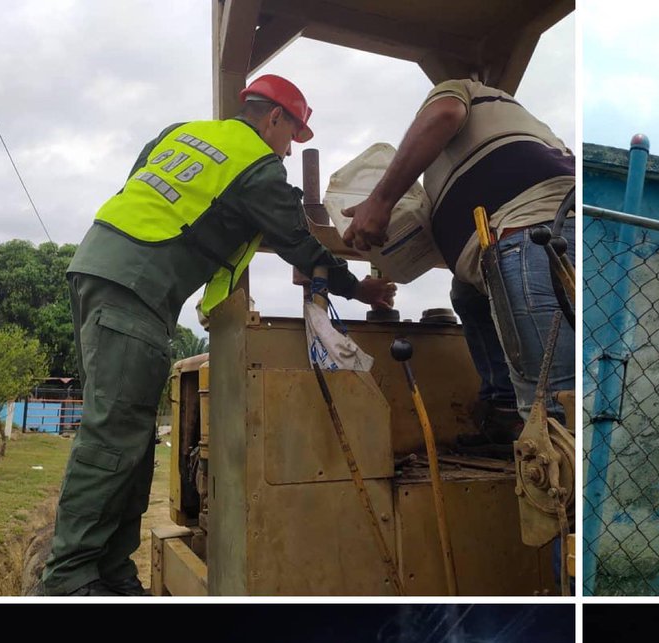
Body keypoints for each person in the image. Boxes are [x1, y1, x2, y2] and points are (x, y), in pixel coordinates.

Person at [41, 74, 396, 596]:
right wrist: (361, 291)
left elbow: (143, 186)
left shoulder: (179, 133)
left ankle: (113, 571)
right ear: (274, 118)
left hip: (104, 270)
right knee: (114, 432)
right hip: (136, 289)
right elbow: (300, 243)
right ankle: (68, 579)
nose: (289, 151)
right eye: (291, 136)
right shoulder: (257, 167)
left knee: (134, 434)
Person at [341, 79, 575, 436]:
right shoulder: (523, 135)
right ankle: (502, 405)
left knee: (551, 417)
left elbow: (444, 112)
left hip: (528, 238)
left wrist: (380, 201)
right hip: (528, 245)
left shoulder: (459, 89)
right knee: (465, 292)